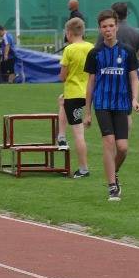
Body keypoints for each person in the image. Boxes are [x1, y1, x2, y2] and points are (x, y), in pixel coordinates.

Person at [85, 9, 139, 202]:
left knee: (123, 148)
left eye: (111, 26)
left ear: (116, 27)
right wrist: (87, 112)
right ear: (99, 29)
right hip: (102, 103)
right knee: (108, 142)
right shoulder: (95, 53)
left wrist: (135, 99)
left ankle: (114, 171)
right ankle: (111, 187)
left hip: (122, 104)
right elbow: (91, 83)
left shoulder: (127, 52)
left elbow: (134, 78)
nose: (108, 29)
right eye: (104, 27)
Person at [56, 17, 91, 178]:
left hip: (74, 93)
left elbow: (63, 76)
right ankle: (61, 136)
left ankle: (83, 168)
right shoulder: (91, 48)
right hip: (88, 93)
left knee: (78, 133)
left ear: (69, 33)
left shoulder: (69, 50)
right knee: (62, 101)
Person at [97, 2, 139, 96]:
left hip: (107, 79)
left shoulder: (104, 33)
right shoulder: (136, 34)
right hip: (128, 80)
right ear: (126, 14)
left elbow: (96, 55)